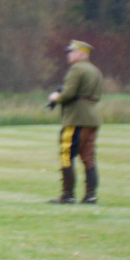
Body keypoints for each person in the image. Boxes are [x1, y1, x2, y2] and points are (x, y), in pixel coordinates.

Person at [47, 40, 103, 204]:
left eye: (72, 51)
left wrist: (56, 97)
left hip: (76, 118)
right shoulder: (96, 70)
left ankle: (68, 195)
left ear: (81, 54)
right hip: (92, 118)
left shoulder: (77, 69)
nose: (69, 55)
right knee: (88, 157)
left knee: (66, 155)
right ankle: (90, 195)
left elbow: (69, 93)